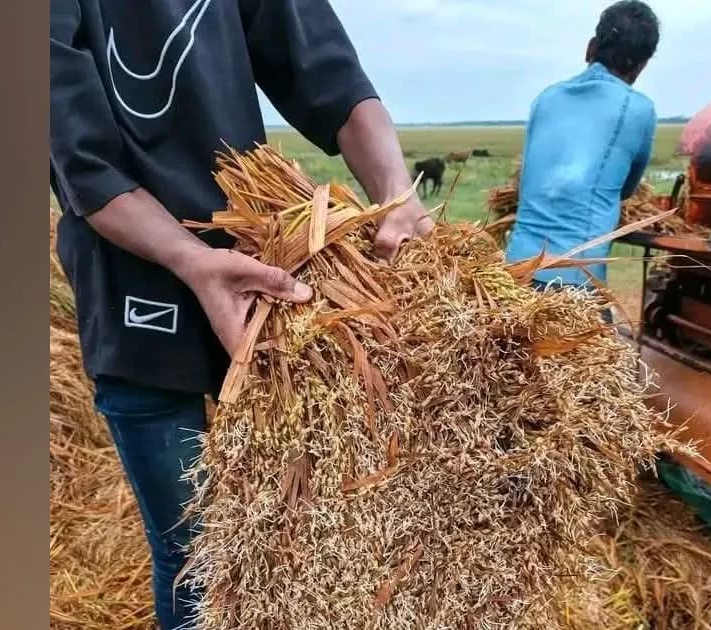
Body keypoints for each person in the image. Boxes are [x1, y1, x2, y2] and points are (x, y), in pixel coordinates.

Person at [49, 1, 432, 627]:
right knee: (196, 559)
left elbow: (328, 73)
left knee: (295, 544)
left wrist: (395, 189)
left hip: (264, 286)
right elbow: (79, 154)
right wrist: (190, 259)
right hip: (134, 292)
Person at [504, 1, 660, 302]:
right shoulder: (639, 110)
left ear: (591, 47)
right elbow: (625, 190)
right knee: (606, 348)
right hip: (574, 283)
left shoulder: (545, 99)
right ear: (642, 65)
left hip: (514, 272)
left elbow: (528, 180)